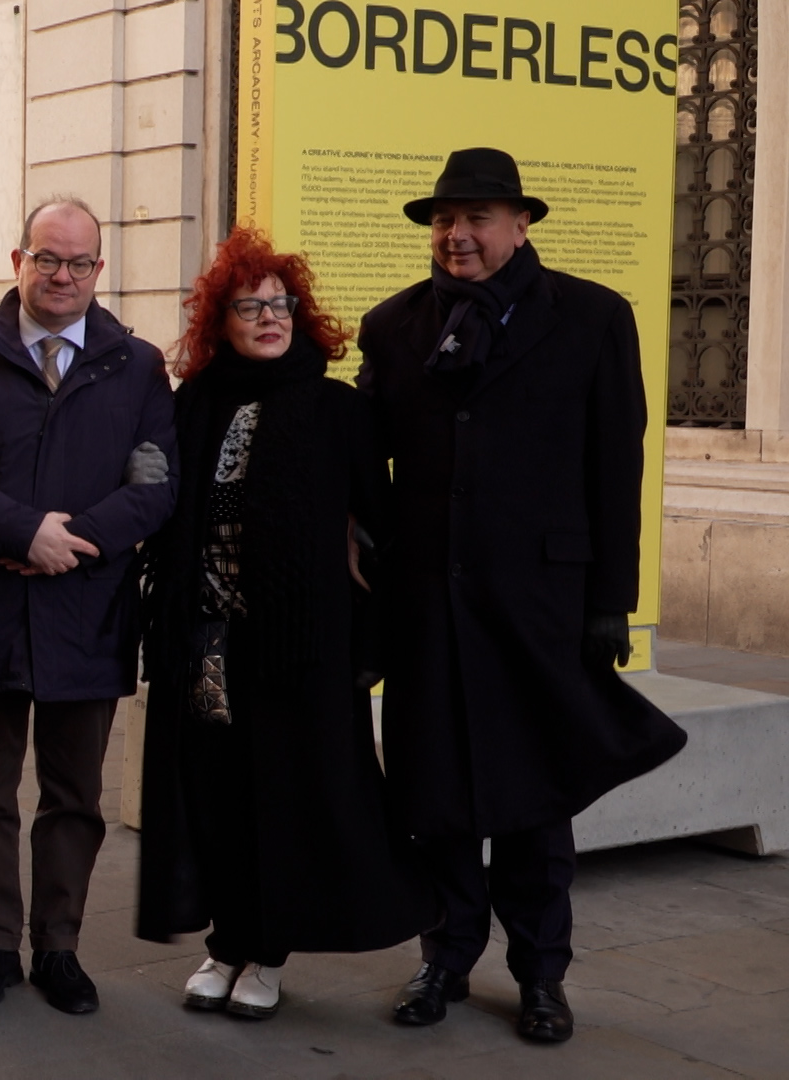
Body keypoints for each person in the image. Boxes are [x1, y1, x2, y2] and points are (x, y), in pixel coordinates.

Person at [357, 148, 687, 1044]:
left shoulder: (592, 318)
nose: (456, 235)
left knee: (537, 799)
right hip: (429, 606)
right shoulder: (393, 327)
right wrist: (365, 536)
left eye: (476, 219)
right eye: (443, 220)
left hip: (540, 604)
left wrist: (609, 601)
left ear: (520, 224)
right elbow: (366, 457)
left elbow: (616, 466)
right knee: (435, 793)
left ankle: (541, 975)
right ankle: (446, 956)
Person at [134, 227, 436, 1020]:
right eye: (250, 306)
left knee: (288, 800)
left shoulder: (338, 410)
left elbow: (381, 526)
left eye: (282, 304)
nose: (270, 317)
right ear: (219, 321)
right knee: (218, 796)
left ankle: (266, 954)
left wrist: (365, 629)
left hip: (300, 650)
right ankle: (227, 943)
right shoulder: (194, 403)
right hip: (208, 644)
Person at [0, 196, 178, 1015]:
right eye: (47, 258)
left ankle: (58, 946)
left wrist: (76, 542)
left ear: (99, 270)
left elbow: (157, 480)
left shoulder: (136, 366)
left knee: (76, 798)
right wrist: (25, 530)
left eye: (79, 262)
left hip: (87, 614)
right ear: (17, 261)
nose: (62, 275)